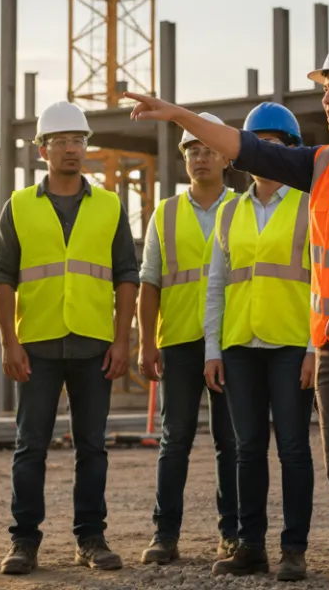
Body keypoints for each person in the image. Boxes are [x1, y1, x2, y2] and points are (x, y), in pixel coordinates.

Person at [125, 33, 329, 590]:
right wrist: (180, 114)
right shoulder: (323, 163)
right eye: (325, 89)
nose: (327, 99)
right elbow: (244, 147)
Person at [0, 100, 139, 576]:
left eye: (79, 141)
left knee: (92, 446)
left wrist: (123, 341)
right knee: (30, 445)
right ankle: (24, 541)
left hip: (95, 343)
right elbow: (2, 277)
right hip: (36, 344)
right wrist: (9, 343)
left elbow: (126, 276)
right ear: (42, 150)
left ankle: (90, 537)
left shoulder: (110, 206)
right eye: (62, 142)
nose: (72, 149)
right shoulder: (18, 206)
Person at [202, 102, 316, 582]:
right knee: (247, 449)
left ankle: (293, 549)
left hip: (292, 344)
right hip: (240, 346)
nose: (266, 153)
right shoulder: (229, 212)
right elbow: (216, 284)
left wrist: (315, 347)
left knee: (293, 449)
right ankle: (251, 546)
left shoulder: (311, 205)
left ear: (291, 152)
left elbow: (324, 280)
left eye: (276, 144)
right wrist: (212, 349)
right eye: (258, 143)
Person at [138, 113, 240, 565]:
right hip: (178, 340)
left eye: (208, 149)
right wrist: (146, 343)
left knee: (231, 442)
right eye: (192, 151)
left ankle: (232, 535)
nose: (200, 157)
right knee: (174, 438)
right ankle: (165, 536)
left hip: (233, 341)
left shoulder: (243, 207)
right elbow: (149, 284)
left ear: (226, 156)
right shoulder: (166, 212)